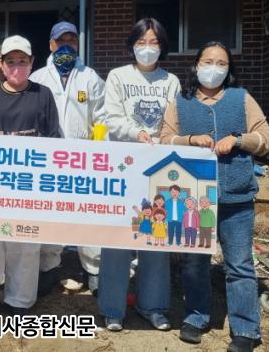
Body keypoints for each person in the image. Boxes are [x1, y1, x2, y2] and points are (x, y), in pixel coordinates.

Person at [160, 41, 269, 352]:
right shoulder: (181, 102)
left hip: (236, 196)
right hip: (195, 198)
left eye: (221, 63)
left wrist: (237, 139)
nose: (214, 68)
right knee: (195, 263)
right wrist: (189, 139)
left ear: (229, 69)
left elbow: (266, 138)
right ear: (196, 65)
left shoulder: (241, 98)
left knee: (239, 264)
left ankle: (246, 329)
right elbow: (165, 138)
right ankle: (196, 317)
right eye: (208, 61)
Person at [0, 35, 61, 318]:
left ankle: (19, 300)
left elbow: (54, 138)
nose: (16, 66)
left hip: (29, 184)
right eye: (10, 61)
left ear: (32, 62)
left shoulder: (43, 95)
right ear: (2, 65)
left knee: (25, 243)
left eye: (22, 61)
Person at [98, 17, 181, 333]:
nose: (147, 48)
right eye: (141, 42)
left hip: (159, 166)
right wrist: (137, 133)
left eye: (154, 43)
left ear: (163, 47)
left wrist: (165, 139)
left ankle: (153, 306)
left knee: (156, 233)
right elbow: (112, 118)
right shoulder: (118, 76)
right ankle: (112, 308)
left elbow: (175, 122)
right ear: (132, 45)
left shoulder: (171, 81)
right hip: (124, 165)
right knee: (116, 237)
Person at [29, 21, 105, 295]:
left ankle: (93, 269)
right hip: (48, 161)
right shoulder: (38, 78)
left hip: (83, 161)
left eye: (71, 40)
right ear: (51, 44)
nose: (66, 46)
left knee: (87, 216)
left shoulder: (90, 77)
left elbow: (101, 118)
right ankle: (48, 267)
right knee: (49, 214)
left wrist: (98, 151)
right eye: (61, 41)